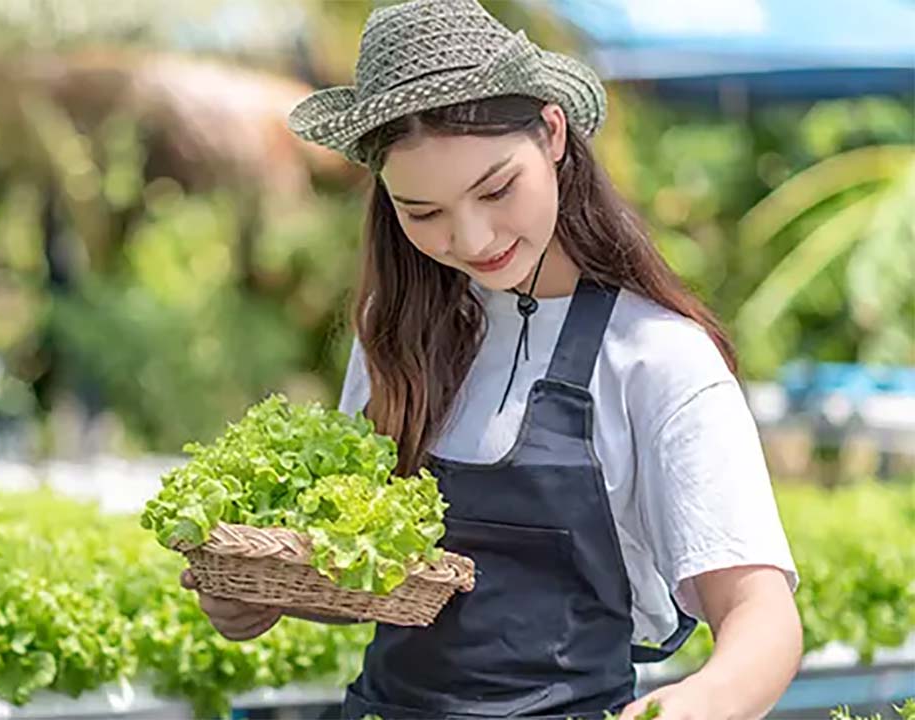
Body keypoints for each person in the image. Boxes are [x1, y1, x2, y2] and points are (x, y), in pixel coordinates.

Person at [180, 0, 802, 717]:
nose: (472, 239)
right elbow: (375, 580)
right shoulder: (395, 332)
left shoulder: (657, 358)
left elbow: (763, 618)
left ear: (553, 132)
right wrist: (266, 596)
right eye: (423, 212)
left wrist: (697, 705)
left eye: (496, 188)